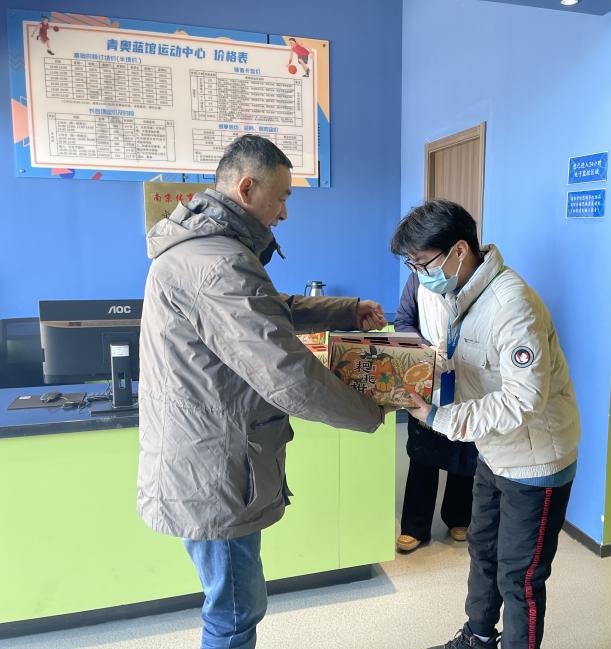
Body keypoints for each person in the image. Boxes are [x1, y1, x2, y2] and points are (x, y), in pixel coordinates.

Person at [137, 134, 388, 649]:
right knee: (234, 613)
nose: (285, 213)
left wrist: (344, 310)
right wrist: (371, 409)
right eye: (283, 197)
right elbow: (286, 373)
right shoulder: (219, 263)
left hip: (208, 457)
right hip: (217, 467)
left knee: (232, 604)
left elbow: (267, 309)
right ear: (247, 188)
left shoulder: (208, 251)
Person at [393, 200, 580, 649]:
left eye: (422, 264)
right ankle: (477, 638)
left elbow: (523, 399)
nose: (419, 275)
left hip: (535, 462)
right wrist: (412, 368)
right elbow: (462, 356)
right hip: (494, 451)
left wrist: (439, 417)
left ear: (459, 251)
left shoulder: (511, 304)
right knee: (483, 552)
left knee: (520, 577)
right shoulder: (463, 294)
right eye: (411, 265)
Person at [395, 272, 477, 552]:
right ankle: (415, 527)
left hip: (466, 372)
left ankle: (459, 517)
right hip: (428, 371)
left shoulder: (471, 276)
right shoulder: (416, 279)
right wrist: (424, 349)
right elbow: (403, 321)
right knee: (422, 454)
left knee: (464, 450)